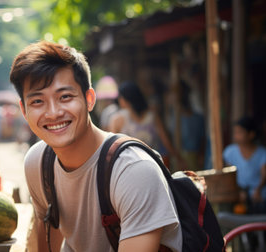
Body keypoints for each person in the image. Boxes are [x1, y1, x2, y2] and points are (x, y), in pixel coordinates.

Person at [10, 41, 182, 252]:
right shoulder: (38, 163)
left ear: (89, 99)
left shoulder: (134, 170)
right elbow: (47, 236)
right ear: (24, 110)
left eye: (65, 97)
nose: (53, 112)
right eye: (37, 101)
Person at [109, 81, 185, 170]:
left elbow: (112, 149)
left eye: (120, 97)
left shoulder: (117, 120)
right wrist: (179, 158)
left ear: (124, 99)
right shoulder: (152, 116)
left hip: (129, 168)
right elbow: (166, 141)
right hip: (153, 166)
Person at [223, 116, 266, 214]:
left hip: (261, 196)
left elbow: (265, 174)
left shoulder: (263, 153)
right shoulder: (229, 152)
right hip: (239, 196)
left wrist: (258, 189)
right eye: (235, 132)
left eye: (239, 132)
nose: (236, 135)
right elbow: (229, 176)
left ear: (251, 134)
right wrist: (239, 191)